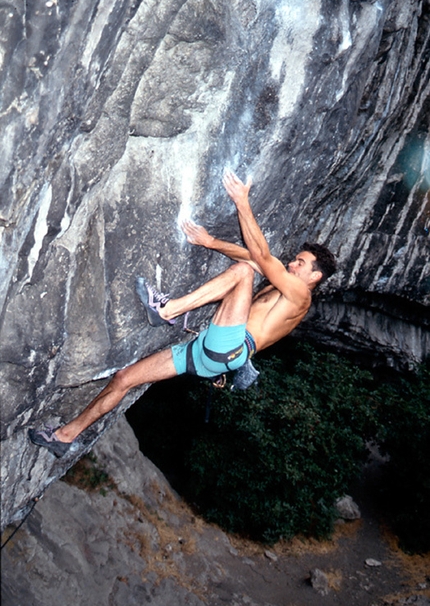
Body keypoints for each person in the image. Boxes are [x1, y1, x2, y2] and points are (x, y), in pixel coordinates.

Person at [29, 171, 336, 457]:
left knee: (243, 272)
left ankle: (167, 309)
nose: (293, 264)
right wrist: (211, 242)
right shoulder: (283, 284)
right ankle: (64, 437)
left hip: (230, 349)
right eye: (295, 259)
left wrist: (242, 202)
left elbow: (259, 257)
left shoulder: (300, 297)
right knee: (124, 379)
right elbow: (253, 256)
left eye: (300, 262)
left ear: (315, 277)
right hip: (207, 355)